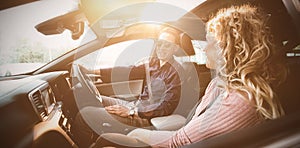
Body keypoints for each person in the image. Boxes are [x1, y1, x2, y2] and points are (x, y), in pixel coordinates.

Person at [95, 4, 287, 148]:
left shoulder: (239, 101)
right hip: (149, 114)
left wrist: (136, 123)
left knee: (99, 132)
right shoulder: (218, 84)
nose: (205, 47)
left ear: (233, 50)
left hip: (158, 123)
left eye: (213, 42)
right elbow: (129, 69)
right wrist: (94, 73)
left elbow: (180, 139)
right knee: (99, 105)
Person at [71, 27, 185, 147]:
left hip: (146, 116)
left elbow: (166, 107)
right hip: (136, 105)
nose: (161, 48)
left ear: (175, 48)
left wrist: (132, 111)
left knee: (85, 115)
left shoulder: (176, 72)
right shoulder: (154, 63)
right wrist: (93, 71)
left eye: (167, 45)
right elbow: (129, 71)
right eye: (159, 44)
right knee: (98, 100)